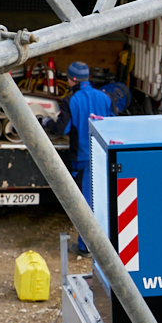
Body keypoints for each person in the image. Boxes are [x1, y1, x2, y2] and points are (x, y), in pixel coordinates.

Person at [42, 61, 112, 252]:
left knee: (85, 204)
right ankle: (106, 246)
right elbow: (112, 123)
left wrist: (46, 121)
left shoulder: (71, 100)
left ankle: (86, 247)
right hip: (102, 155)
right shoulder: (104, 98)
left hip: (82, 158)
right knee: (102, 200)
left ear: (72, 79)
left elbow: (61, 128)